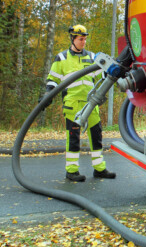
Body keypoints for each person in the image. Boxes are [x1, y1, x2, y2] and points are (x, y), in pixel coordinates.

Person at [44, 24, 116, 183]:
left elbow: (102, 74)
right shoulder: (62, 58)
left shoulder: (91, 57)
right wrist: (48, 93)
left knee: (96, 136)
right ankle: (72, 171)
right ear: (73, 39)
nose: (84, 42)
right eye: (81, 39)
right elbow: (52, 79)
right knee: (74, 137)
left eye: (85, 39)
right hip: (73, 105)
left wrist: (112, 69)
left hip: (91, 104)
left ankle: (99, 169)